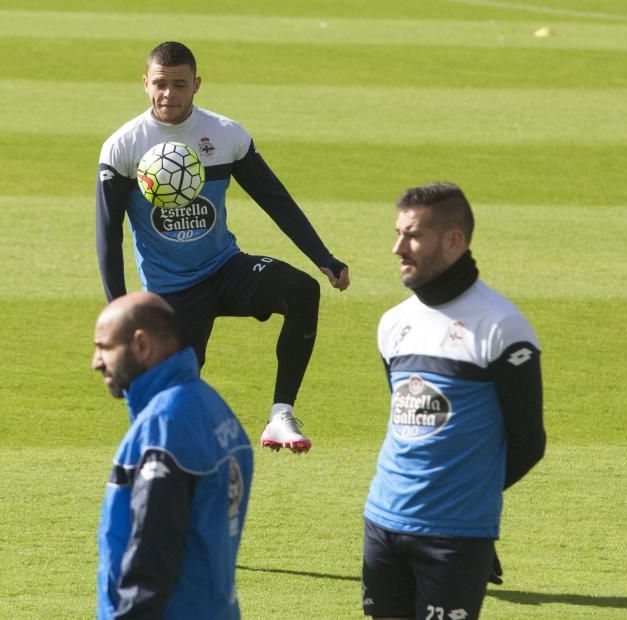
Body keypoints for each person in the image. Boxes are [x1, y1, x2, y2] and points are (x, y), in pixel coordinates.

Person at [96, 41, 350, 453]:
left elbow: (275, 198)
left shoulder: (225, 134)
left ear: (196, 84)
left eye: (179, 84)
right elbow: (107, 235)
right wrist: (119, 311)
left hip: (225, 268)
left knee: (302, 290)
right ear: (145, 84)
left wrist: (323, 258)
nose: (169, 94)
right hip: (171, 290)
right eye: (160, 84)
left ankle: (280, 416)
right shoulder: (123, 147)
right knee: (173, 401)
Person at [362, 182, 546, 619]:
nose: (397, 248)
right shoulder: (394, 324)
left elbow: (528, 442)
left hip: (453, 536)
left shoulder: (502, 327)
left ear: (454, 241)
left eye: (413, 236)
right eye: (398, 232)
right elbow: (406, 420)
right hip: (383, 522)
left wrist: (470, 501)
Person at [92, 292, 253, 619]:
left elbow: (150, 560)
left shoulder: (163, 428)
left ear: (141, 345)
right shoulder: (214, 409)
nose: (96, 362)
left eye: (104, 347)